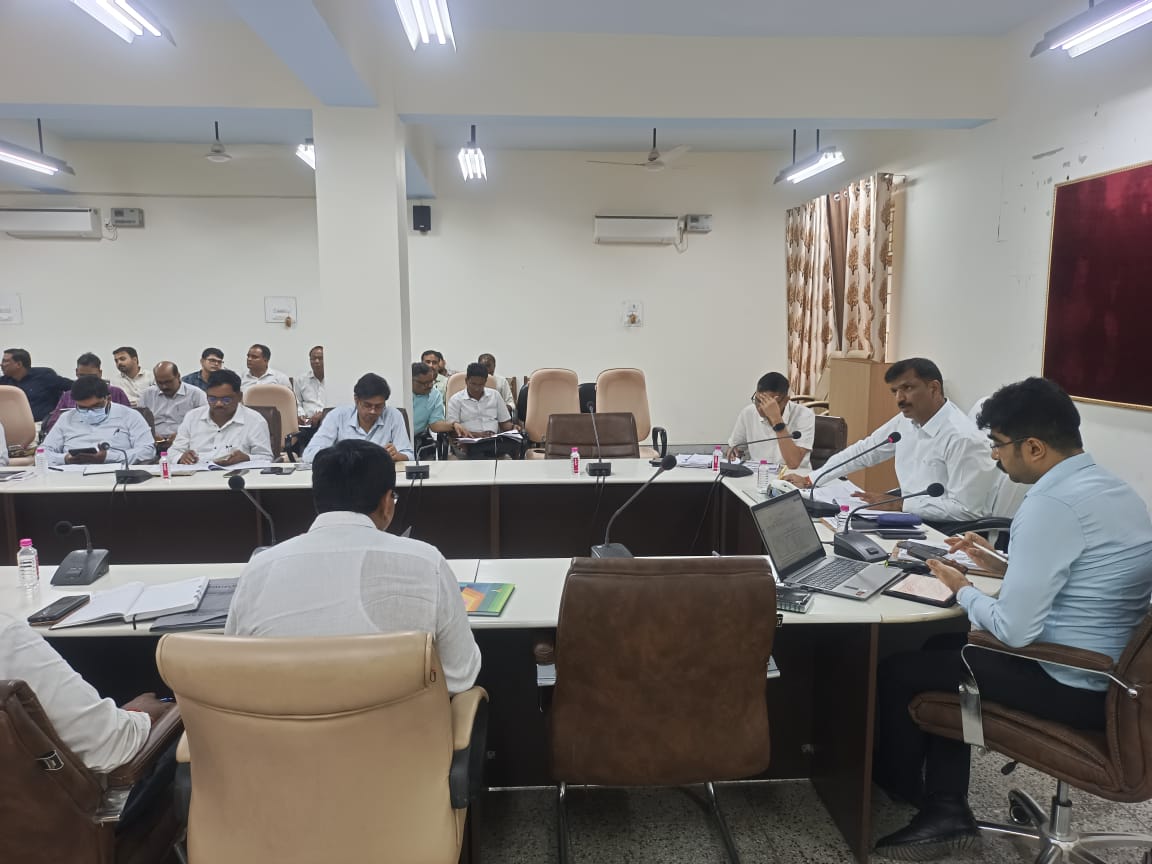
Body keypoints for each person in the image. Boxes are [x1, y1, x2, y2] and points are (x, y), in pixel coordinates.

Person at [873, 377, 1152, 861]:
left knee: (901, 670)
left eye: (999, 445)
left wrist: (961, 587)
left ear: (1035, 447)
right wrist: (1000, 565)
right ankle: (945, 803)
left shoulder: (1049, 504)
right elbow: (1078, 576)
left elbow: (1015, 631)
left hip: (1074, 681)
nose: (995, 457)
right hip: (1119, 678)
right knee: (944, 650)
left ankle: (902, 791)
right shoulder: (1113, 490)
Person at [225, 439, 481, 694]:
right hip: (398, 720)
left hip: (283, 719)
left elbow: (235, 671)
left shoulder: (259, 569)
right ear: (386, 503)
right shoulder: (426, 563)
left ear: (318, 499)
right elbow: (460, 675)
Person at [786, 358, 999, 527]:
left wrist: (899, 504)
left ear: (934, 388)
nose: (899, 399)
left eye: (907, 388)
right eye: (895, 391)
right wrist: (812, 478)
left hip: (943, 530)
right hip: (910, 515)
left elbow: (968, 510)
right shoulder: (906, 421)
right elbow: (865, 451)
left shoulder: (962, 438)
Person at [41, 376, 156, 467]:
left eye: (96, 406)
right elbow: (42, 452)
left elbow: (148, 451)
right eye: (83, 408)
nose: (90, 412)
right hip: (71, 475)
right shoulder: (66, 418)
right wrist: (65, 459)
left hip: (115, 474)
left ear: (108, 399)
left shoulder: (129, 416)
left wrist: (109, 457)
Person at [168, 369, 273, 466]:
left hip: (236, 476)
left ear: (239, 397)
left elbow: (267, 458)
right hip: (197, 476)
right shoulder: (192, 417)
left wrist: (247, 458)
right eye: (212, 399)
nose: (219, 404)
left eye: (226, 400)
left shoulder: (255, 420)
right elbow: (172, 453)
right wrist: (180, 457)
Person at [301, 373, 413, 464]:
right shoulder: (337, 416)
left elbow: (409, 455)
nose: (373, 411)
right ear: (356, 399)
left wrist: (397, 455)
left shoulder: (394, 416)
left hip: (380, 477)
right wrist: (342, 455)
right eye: (367, 405)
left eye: (379, 406)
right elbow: (309, 454)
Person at [726, 372, 816, 470]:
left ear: (785, 401)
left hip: (793, 475)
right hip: (759, 473)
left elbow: (793, 463)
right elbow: (735, 447)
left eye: (768, 403)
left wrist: (777, 420)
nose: (760, 408)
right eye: (758, 401)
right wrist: (733, 451)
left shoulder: (804, 415)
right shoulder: (748, 413)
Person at [42, 353, 131, 435]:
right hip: (75, 437)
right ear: (76, 372)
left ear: (100, 373)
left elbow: (130, 421)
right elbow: (53, 425)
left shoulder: (116, 393)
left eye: (92, 376)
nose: (87, 380)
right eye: (82, 376)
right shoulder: (68, 396)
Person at [446, 362, 517, 459]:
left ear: (485, 382)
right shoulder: (456, 400)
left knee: (513, 446)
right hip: (469, 443)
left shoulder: (495, 395)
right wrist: (476, 435)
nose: (476, 388)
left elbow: (504, 424)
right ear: (466, 381)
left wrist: (514, 427)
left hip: (493, 441)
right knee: (477, 454)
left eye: (481, 384)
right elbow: (453, 430)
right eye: (473, 384)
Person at [138, 362, 208, 449]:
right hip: (152, 443)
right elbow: (139, 422)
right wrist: (151, 434)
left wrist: (182, 434)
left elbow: (204, 423)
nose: (164, 386)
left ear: (178, 376)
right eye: (159, 383)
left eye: (168, 382)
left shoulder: (196, 394)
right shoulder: (147, 394)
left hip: (185, 442)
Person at [0, 348, 71, 422]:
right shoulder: (3, 382)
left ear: (19, 364)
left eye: (5, 361)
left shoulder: (44, 376)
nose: (1, 364)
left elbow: (73, 387)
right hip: (11, 424)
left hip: (42, 424)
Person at [411, 362, 451, 454]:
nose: (429, 386)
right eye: (424, 383)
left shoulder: (435, 394)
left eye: (431, 381)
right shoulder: (401, 393)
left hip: (416, 440)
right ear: (410, 380)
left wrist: (453, 425)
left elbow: (435, 424)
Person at [294, 345, 325, 426]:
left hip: (328, 421)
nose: (316, 361)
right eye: (313, 359)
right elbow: (297, 403)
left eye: (320, 358)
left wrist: (323, 414)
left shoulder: (334, 380)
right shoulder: (300, 380)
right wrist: (301, 415)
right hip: (307, 423)